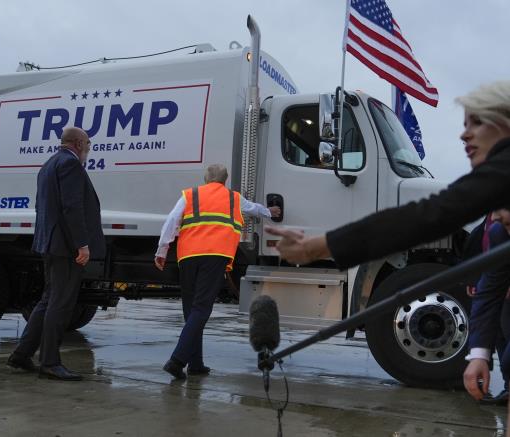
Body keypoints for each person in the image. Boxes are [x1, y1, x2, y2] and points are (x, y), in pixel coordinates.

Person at [265, 80, 510, 399]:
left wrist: (314, 246)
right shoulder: (495, 227)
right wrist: (479, 354)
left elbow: (428, 216)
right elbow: (490, 285)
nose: (464, 134)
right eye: (464, 124)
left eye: (476, 122)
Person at [155, 164, 281, 379]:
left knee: (192, 311)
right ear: (224, 180)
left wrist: (162, 249)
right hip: (214, 256)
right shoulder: (233, 198)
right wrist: (271, 211)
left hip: (187, 257)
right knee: (202, 309)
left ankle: (196, 364)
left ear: (206, 179)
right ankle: (177, 361)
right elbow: (254, 209)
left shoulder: (190, 195)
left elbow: (172, 221)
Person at [7, 127, 104, 381]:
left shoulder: (49, 164)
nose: (89, 149)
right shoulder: (70, 165)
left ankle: (22, 354)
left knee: (48, 300)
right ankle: (50, 362)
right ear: (78, 143)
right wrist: (81, 243)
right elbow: (72, 206)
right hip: (65, 246)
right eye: (88, 143)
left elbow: (43, 206)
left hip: (50, 243)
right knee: (60, 303)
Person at [464, 218, 510, 405]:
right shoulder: (500, 232)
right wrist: (478, 356)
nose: (500, 225)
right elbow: (489, 293)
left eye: (508, 222)